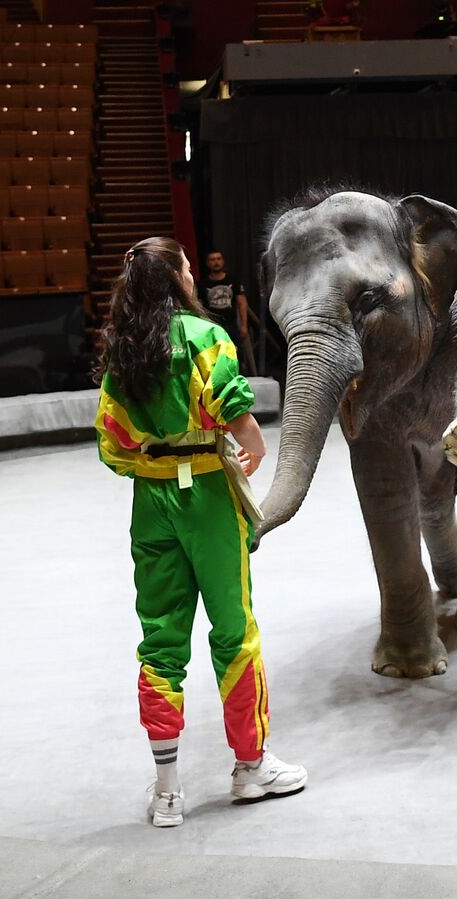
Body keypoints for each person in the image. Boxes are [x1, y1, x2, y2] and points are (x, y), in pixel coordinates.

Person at [94, 236, 306, 828]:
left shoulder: (122, 350)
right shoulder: (203, 336)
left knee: (160, 642)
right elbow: (231, 401)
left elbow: (112, 444)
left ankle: (166, 791)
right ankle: (250, 767)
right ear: (178, 279)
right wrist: (255, 447)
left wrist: (155, 466)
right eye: (187, 265)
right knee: (234, 632)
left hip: (151, 503)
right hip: (209, 493)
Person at [197, 250, 253, 375]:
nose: (216, 262)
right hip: (212, 327)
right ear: (207, 263)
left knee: (237, 356)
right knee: (215, 359)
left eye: (218, 258)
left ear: (223, 261)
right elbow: (198, 306)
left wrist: (244, 325)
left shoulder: (232, 280)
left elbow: (242, 303)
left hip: (231, 326)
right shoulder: (202, 284)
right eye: (212, 259)